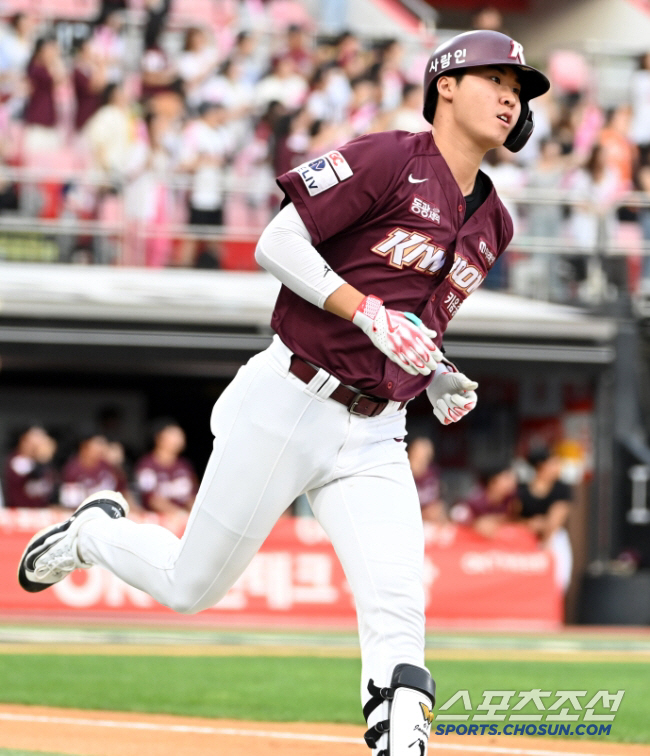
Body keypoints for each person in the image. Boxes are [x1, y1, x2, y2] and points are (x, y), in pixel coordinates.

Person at [18, 30, 549, 756]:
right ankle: (89, 535)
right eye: (496, 78)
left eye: (518, 90)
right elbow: (277, 244)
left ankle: (401, 736)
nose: (510, 97)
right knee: (189, 586)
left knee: (398, 606)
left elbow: (413, 320)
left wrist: (437, 369)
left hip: (377, 431)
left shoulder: (495, 222)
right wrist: (365, 312)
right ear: (446, 86)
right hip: (292, 397)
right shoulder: (389, 156)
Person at [515, 446, 573, 592]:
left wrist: (544, 529)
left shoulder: (561, 488)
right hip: (525, 541)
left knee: (557, 584)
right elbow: (513, 518)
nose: (558, 468)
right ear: (542, 465)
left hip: (554, 540)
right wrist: (528, 524)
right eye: (554, 463)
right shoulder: (522, 490)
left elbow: (555, 520)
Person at [134, 419, 198, 513]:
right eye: (173, 434)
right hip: (156, 519)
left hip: (184, 518)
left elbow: (193, 496)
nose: (179, 438)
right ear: (159, 438)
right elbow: (151, 499)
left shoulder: (184, 465)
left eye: (180, 435)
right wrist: (176, 513)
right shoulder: (147, 464)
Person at [58, 431, 130, 511]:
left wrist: (117, 465)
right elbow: (70, 505)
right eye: (98, 444)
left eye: (104, 444)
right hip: (83, 515)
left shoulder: (108, 466)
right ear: (85, 446)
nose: (102, 448)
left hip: (110, 513)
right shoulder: (73, 469)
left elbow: (124, 493)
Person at [449, 463, 517, 539]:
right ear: (493, 481)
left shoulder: (512, 499)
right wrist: (474, 523)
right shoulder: (476, 500)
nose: (512, 482)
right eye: (507, 478)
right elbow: (456, 516)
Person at [4, 426, 58, 508]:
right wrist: (43, 456)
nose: (38, 447)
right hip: (20, 513)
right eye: (33, 443)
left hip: (41, 512)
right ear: (23, 441)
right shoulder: (17, 460)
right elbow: (34, 471)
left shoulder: (45, 463)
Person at [406, 437, 446, 523]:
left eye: (426, 454)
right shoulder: (404, 473)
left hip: (430, 522)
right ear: (412, 452)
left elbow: (439, 501)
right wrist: (423, 514)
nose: (423, 458)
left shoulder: (433, 472)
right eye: (420, 453)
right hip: (409, 521)